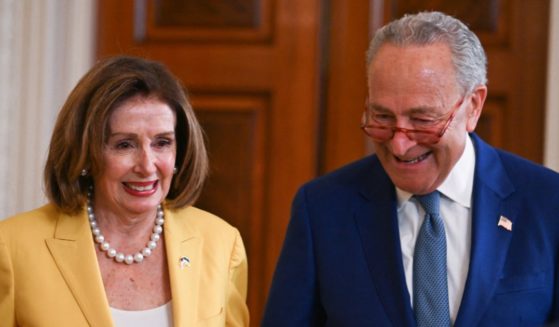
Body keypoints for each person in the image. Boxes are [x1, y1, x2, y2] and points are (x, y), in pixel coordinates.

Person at [262, 11, 559, 326]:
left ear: (474, 105)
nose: (399, 145)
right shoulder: (322, 209)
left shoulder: (548, 202)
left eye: (422, 121)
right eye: (382, 118)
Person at [0, 56, 249, 326]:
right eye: (124, 145)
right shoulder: (12, 248)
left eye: (162, 142)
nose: (146, 165)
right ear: (85, 153)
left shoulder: (222, 243)